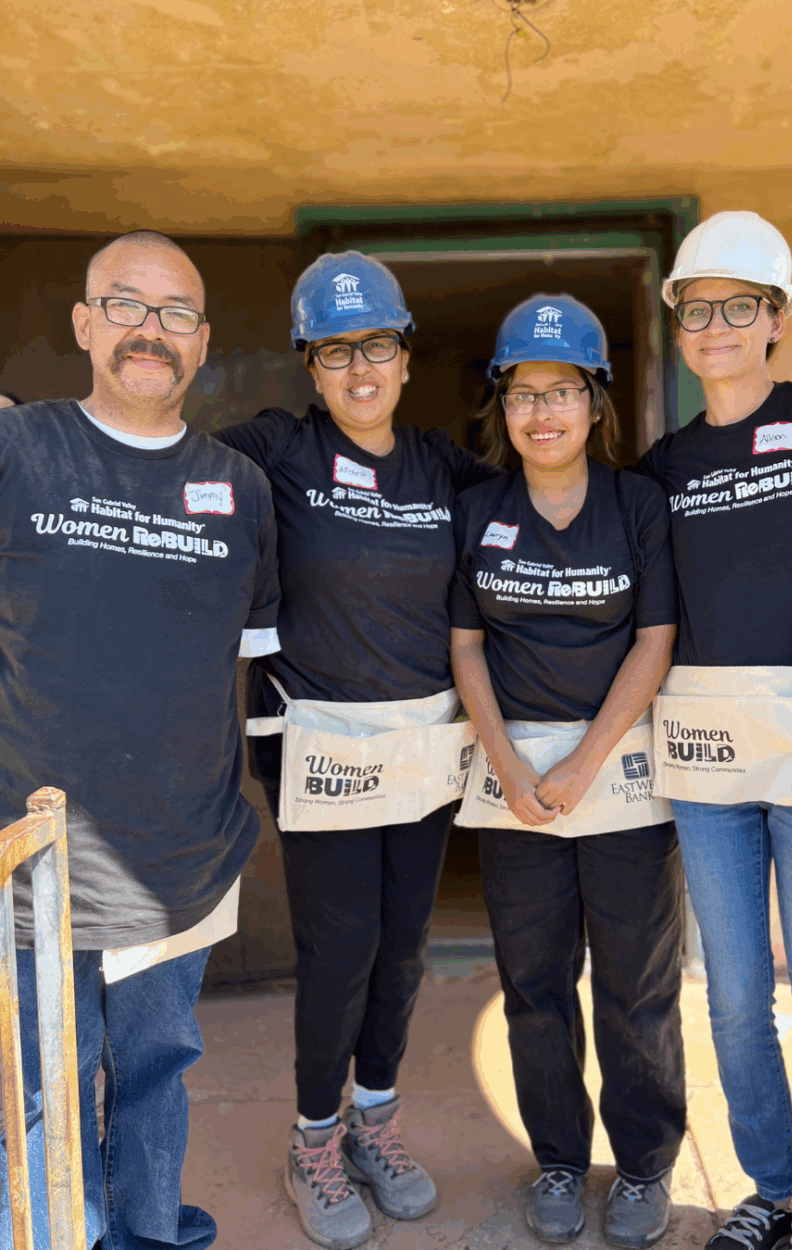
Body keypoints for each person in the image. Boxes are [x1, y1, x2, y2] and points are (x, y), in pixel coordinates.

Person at [0, 230, 280, 1249]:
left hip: (183, 854)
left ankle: (149, 1231)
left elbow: (244, 659)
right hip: (36, 855)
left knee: (159, 1068)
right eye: (125, 304)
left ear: (202, 342)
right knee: (38, 1080)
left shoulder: (240, 490)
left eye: (173, 313)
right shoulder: (19, 449)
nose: (148, 331)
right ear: (82, 324)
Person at [215, 251, 499, 1250]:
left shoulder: (442, 467)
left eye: (375, 343)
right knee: (339, 949)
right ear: (310, 363)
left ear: (405, 354)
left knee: (402, 944)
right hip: (322, 746)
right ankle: (315, 1136)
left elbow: (539, 510)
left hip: (421, 746)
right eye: (334, 351)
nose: (358, 367)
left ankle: (375, 1117)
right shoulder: (274, 449)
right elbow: (166, 465)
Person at [632, 211, 792, 1250]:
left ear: (777, 317)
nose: (716, 326)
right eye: (698, 309)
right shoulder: (662, 464)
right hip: (707, 757)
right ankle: (769, 1184)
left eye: (739, 306)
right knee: (738, 994)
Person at [450, 294, 685, 1250]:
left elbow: (656, 638)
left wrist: (585, 762)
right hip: (513, 780)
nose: (540, 413)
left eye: (561, 391)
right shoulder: (478, 511)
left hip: (619, 774)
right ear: (501, 409)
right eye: (521, 394)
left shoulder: (637, 505)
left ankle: (642, 1166)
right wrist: (507, 765)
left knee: (637, 984)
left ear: (595, 403)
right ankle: (557, 1155)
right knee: (535, 980)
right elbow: (467, 647)